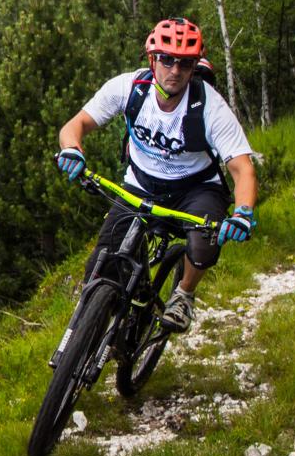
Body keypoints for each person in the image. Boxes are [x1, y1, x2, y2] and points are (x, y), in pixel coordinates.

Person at [54, 18, 258, 334]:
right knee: (100, 265)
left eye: (185, 63)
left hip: (195, 188)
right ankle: (87, 338)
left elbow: (242, 167)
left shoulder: (210, 107)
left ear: (194, 66)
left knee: (204, 246)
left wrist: (243, 212)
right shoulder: (128, 88)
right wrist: (72, 149)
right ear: (152, 58)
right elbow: (76, 125)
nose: (175, 70)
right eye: (166, 59)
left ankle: (184, 294)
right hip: (140, 183)